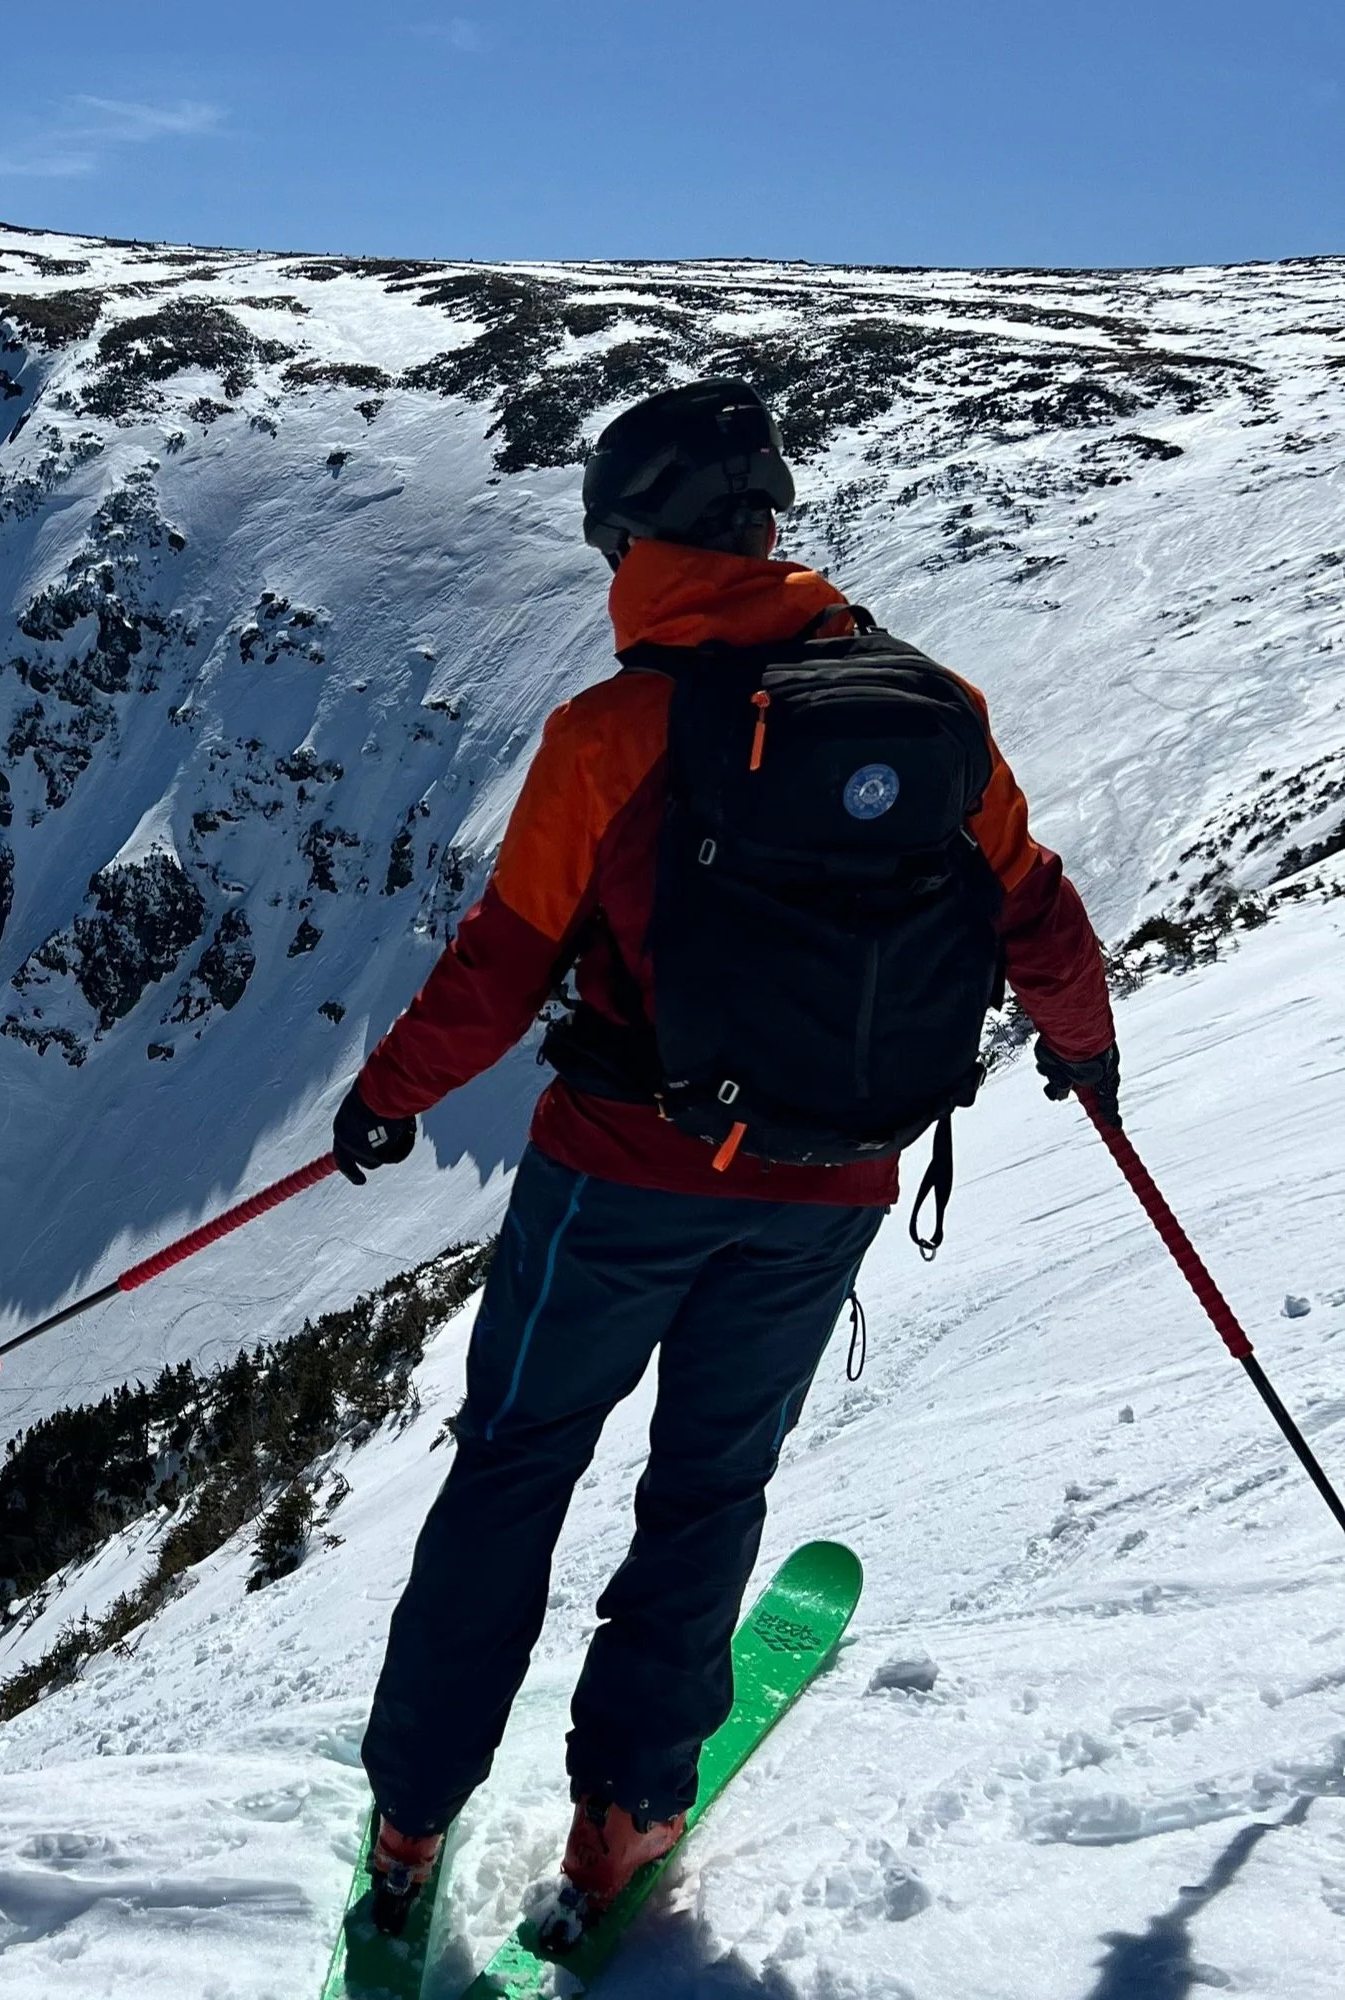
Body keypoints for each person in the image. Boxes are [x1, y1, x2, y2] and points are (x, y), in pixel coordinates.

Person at [330, 378, 1120, 1940]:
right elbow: (1030, 901)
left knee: (514, 1468)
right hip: (828, 1185)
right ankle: (628, 1815)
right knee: (709, 1487)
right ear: (762, 530)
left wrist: (386, 1097)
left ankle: (414, 1818)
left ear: (640, 543)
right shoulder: (937, 708)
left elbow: (503, 964)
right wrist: (1083, 1051)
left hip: (619, 1176)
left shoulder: (613, 734)